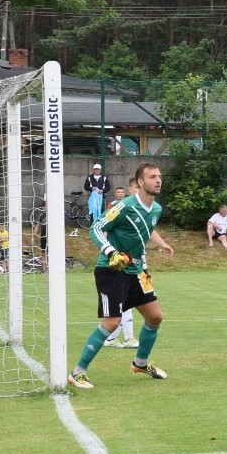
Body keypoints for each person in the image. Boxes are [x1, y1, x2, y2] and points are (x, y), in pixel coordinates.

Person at [68, 163, 174, 389]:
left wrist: (163, 244)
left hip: (136, 271)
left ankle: (140, 362)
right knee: (112, 322)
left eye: (159, 176)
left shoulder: (156, 209)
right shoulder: (124, 206)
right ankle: (77, 372)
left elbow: (148, 227)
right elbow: (96, 227)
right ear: (140, 183)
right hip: (111, 270)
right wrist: (111, 252)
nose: (158, 180)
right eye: (152, 177)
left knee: (155, 316)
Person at [104, 180, 139, 349]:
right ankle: (127, 337)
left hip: (134, 261)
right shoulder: (119, 207)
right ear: (130, 189)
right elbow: (102, 226)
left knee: (125, 301)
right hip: (122, 260)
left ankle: (113, 338)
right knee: (125, 301)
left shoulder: (143, 209)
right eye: (136, 188)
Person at [31, 202, 48, 272]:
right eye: (42, 206)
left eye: (45, 206)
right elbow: (37, 227)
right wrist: (33, 237)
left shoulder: (54, 215)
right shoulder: (41, 216)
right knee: (43, 253)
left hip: (52, 238)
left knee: (51, 253)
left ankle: (52, 269)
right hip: (43, 237)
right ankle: (45, 270)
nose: (43, 207)